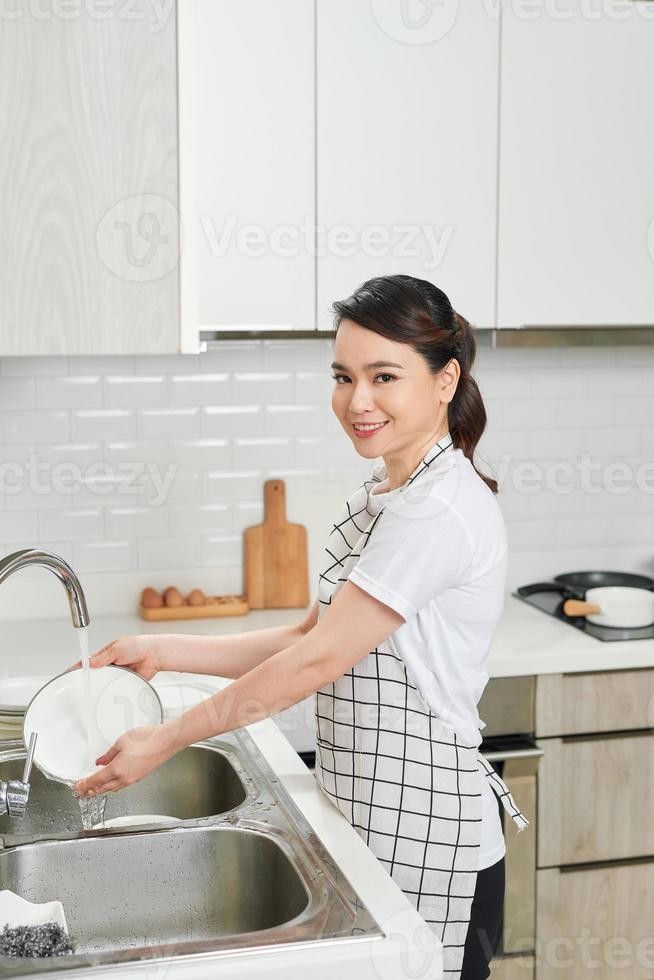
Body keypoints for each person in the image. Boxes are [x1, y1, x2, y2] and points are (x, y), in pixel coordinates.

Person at [72, 274, 528, 980]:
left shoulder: (435, 511)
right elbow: (308, 640)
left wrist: (162, 741)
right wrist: (163, 650)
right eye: (343, 376)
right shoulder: (388, 491)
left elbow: (314, 668)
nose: (358, 400)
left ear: (445, 381)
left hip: (432, 834)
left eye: (385, 376)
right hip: (375, 818)